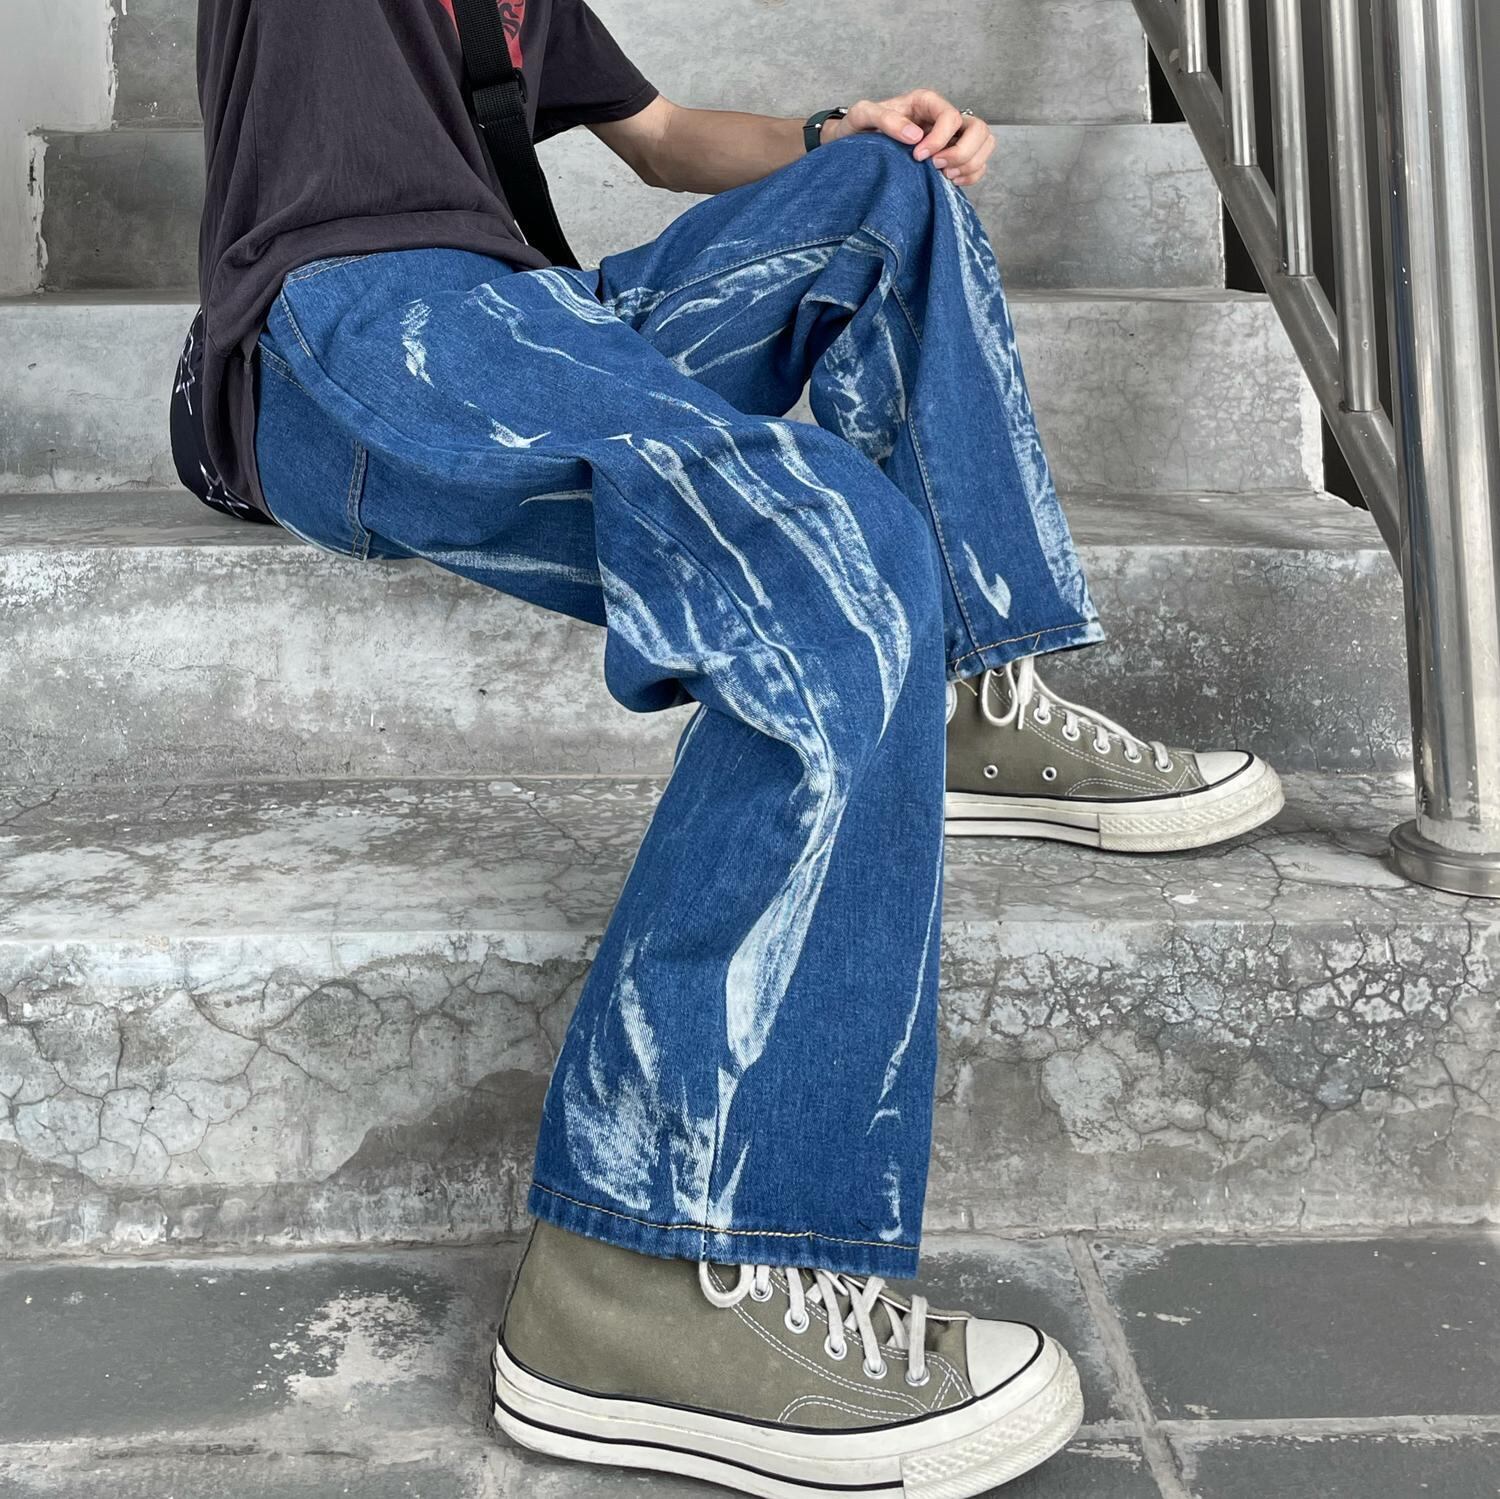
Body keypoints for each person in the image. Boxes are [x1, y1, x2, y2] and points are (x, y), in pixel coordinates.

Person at [184, 2, 1284, 1491]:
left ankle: (968, 696)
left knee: (887, 198)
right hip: (354, 332)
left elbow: (661, 139)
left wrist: (840, 131)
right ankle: (641, 1268)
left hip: (538, 317)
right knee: (831, 547)